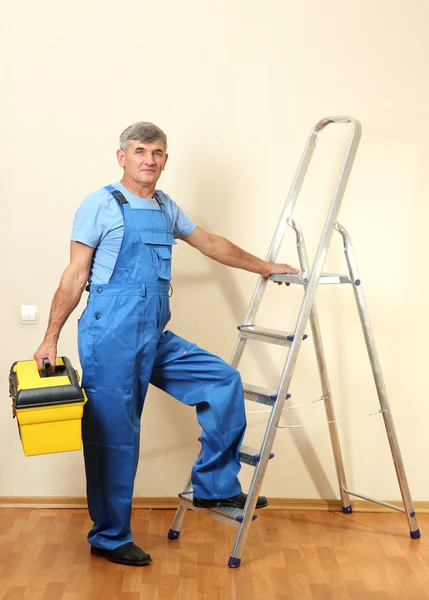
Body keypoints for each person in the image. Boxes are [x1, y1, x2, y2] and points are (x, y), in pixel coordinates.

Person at [33, 122, 299, 567]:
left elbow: (211, 243)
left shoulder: (165, 207)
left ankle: (214, 487)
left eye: (156, 153)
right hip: (109, 334)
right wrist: (49, 338)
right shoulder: (100, 204)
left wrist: (264, 266)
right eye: (139, 151)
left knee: (221, 381)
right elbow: (76, 274)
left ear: (165, 159)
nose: (148, 160)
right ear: (122, 157)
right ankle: (110, 536)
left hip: (153, 334)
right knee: (116, 437)